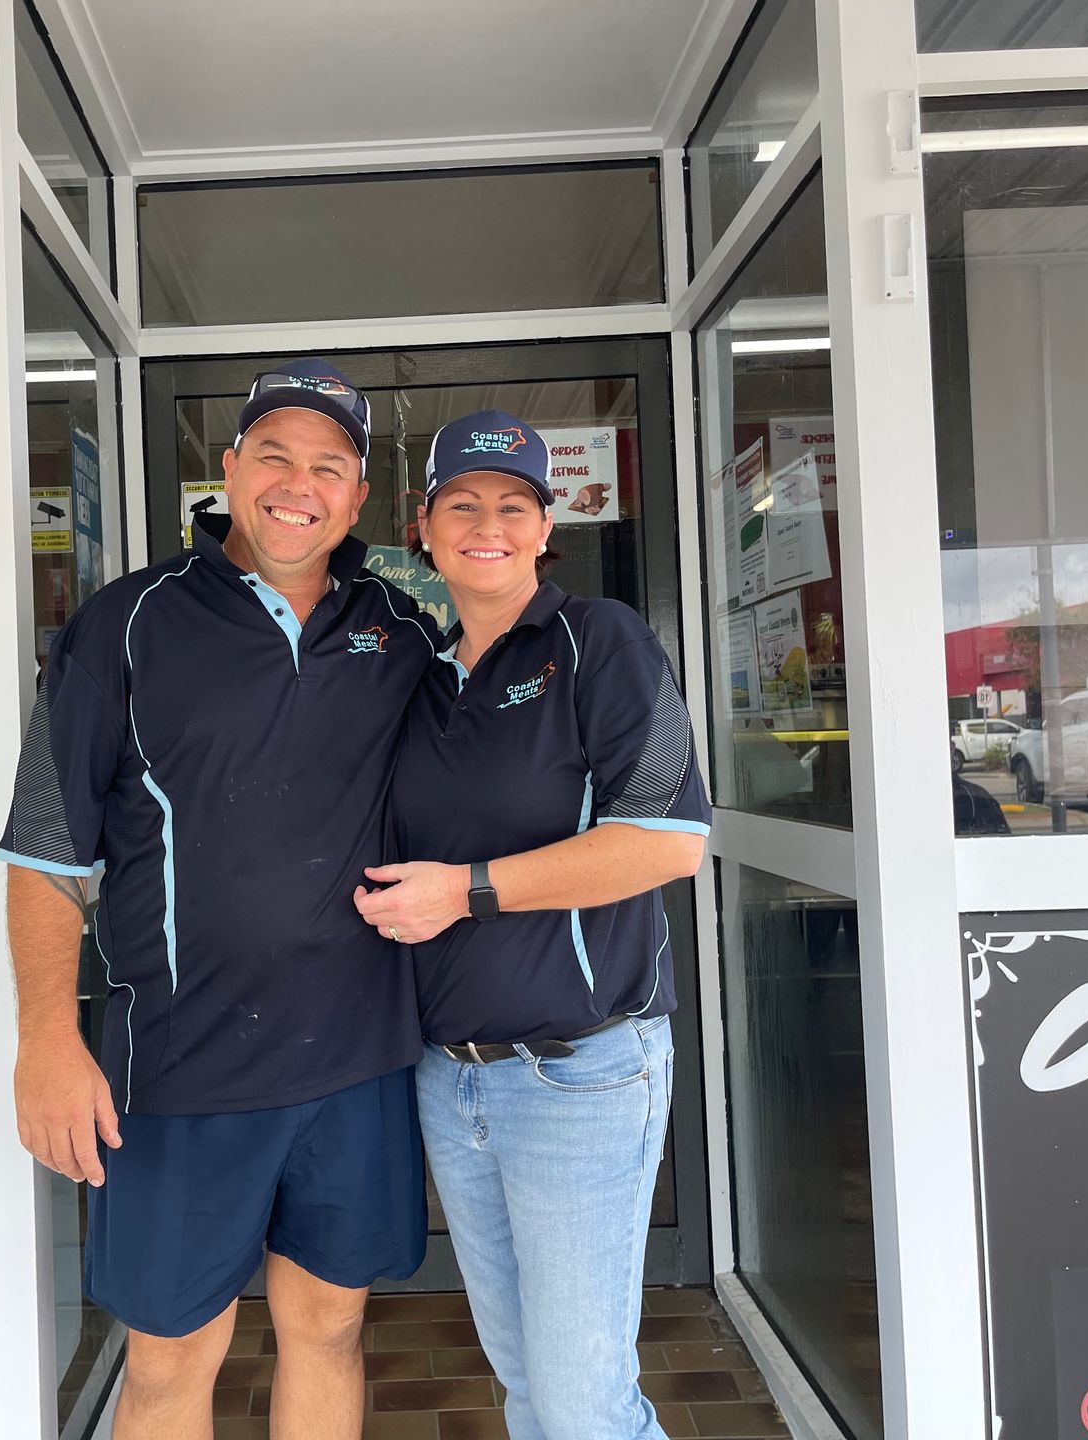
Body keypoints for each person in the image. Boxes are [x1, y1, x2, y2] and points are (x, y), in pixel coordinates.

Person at [0, 359, 441, 1440]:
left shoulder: (401, 631)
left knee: (330, 1328)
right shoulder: (124, 626)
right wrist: (48, 1036)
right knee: (167, 1363)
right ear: (231, 469)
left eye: (328, 467)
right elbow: (50, 850)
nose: (300, 485)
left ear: (359, 497)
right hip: (179, 1067)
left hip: (359, 1058)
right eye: (276, 456)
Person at [355, 409, 711, 1440]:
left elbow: (667, 842)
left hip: (581, 1074)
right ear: (422, 527)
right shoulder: (421, 680)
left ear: (545, 529)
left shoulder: (599, 643)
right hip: (449, 1076)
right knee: (526, 1383)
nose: (488, 524)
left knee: (582, 1401)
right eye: (461, 504)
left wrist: (465, 889)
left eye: (514, 506)